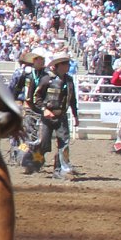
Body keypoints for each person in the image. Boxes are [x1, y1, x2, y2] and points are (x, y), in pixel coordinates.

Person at [30, 47, 81, 179]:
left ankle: (60, 169)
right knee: (42, 142)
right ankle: (36, 161)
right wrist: (44, 110)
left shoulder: (69, 81)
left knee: (64, 143)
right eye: (66, 64)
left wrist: (75, 115)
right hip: (47, 117)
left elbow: (73, 100)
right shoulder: (47, 79)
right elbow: (37, 97)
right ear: (59, 66)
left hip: (61, 116)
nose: (68, 66)